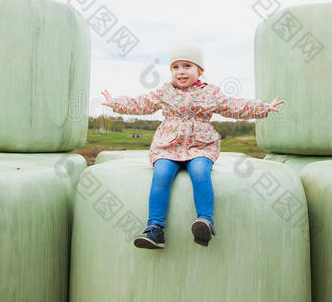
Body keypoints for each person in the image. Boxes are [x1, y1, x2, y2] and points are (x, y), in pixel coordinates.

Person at [101, 43, 283, 249]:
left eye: (187, 66)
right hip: (168, 146)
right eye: (176, 67)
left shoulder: (211, 93)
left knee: (199, 172)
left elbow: (234, 106)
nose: (181, 72)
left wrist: (263, 108)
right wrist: (115, 103)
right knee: (160, 174)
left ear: (199, 70)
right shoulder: (165, 91)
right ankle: (154, 229)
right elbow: (141, 103)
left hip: (200, 146)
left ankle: (204, 221)